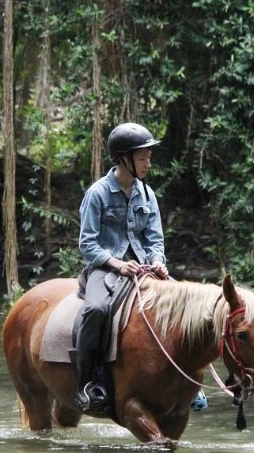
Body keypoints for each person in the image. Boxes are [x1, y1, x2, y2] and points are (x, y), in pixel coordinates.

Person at [73, 122, 169, 412]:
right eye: (143, 158)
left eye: (149, 158)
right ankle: (86, 383)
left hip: (143, 269)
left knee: (181, 308)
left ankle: (183, 383)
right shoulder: (97, 194)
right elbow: (87, 244)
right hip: (105, 269)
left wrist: (158, 262)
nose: (148, 164)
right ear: (124, 159)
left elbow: (155, 239)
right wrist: (116, 263)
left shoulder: (147, 195)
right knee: (96, 310)